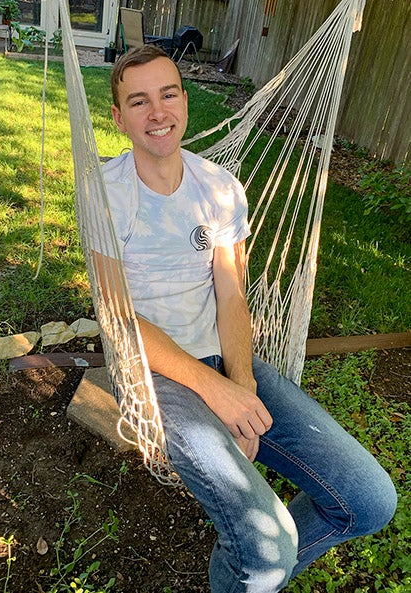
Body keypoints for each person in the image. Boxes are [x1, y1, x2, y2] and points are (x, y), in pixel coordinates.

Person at [91, 45, 397, 593]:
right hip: (151, 374)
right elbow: (119, 318)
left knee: (371, 499)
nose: (157, 112)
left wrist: (242, 383)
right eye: (138, 102)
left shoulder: (220, 189)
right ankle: (257, 555)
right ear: (118, 117)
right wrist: (218, 393)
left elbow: (232, 296)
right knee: (269, 543)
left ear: (184, 100)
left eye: (167, 94)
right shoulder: (103, 194)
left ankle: (249, 562)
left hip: (226, 360)